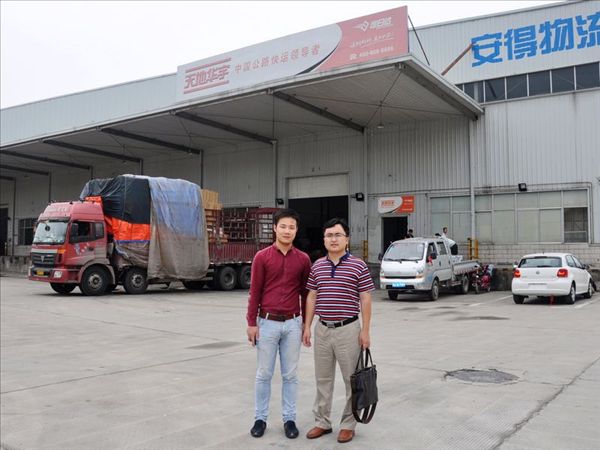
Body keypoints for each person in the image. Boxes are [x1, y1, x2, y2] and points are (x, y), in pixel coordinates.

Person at [302, 218, 375, 444]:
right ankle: (322, 422)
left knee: (351, 380)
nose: (333, 239)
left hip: (348, 330)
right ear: (324, 240)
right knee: (323, 379)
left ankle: (348, 424)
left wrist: (365, 331)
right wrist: (307, 326)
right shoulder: (317, 266)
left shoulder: (358, 265)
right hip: (322, 329)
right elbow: (312, 296)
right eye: (329, 235)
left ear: (347, 239)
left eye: (337, 235)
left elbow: (365, 298)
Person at [246, 208, 311, 439]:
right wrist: (251, 322)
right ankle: (260, 419)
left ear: (296, 230)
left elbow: (306, 294)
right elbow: (255, 292)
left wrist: (306, 325)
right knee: (264, 374)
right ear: (274, 228)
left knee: (290, 375)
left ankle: (289, 419)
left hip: (293, 324)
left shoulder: (303, 260)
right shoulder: (262, 257)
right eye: (283, 226)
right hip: (267, 323)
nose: (287, 231)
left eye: (291, 227)